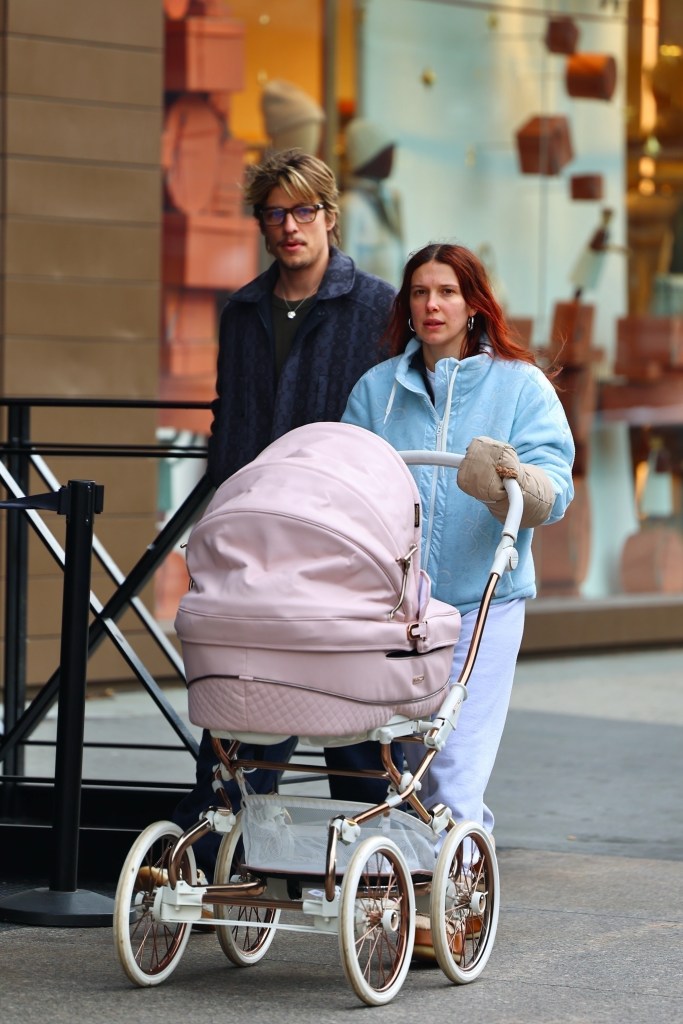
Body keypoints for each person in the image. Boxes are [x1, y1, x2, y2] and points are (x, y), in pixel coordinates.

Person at [341, 242, 574, 952]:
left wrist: (514, 477)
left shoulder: (520, 385)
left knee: (456, 765)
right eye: (417, 292)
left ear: (473, 303)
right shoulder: (376, 390)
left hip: (483, 601)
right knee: (402, 761)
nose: (430, 305)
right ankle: (411, 898)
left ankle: (456, 912)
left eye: (444, 291)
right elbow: (347, 478)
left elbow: (554, 486)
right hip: (398, 605)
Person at [172, 148, 397, 881]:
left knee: (349, 702)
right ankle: (215, 865)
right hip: (251, 533)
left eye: (304, 211)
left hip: (338, 533)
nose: (290, 225)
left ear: (329, 217)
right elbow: (228, 418)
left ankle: (373, 867)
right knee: (242, 693)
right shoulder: (242, 311)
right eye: (276, 212)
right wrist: (213, 510)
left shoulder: (377, 307)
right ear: (262, 224)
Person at [339, 118, 405, 287]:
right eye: (387, 153)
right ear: (370, 157)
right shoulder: (350, 206)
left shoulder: (389, 199)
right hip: (365, 307)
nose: (392, 159)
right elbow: (345, 270)